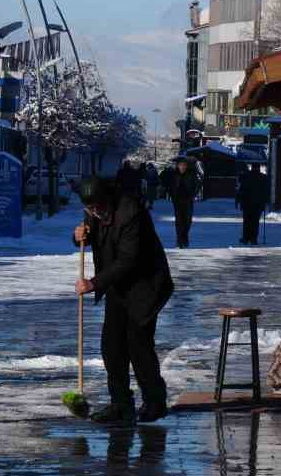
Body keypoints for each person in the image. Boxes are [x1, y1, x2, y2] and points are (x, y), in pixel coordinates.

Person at [74, 177, 174, 425]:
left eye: (98, 207)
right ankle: (120, 404)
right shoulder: (93, 210)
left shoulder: (131, 212)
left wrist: (94, 283)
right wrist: (78, 237)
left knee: (138, 346)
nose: (95, 212)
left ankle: (155, 403)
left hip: (145, 285)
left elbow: (129, 259)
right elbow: (91, 236)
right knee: (112, 347)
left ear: (106, 198)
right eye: (90, 209)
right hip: (118, 287)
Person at [167, 158, 198, 248]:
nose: (182, 167)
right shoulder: (174, 174)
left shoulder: (191, 174)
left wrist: (193, 194)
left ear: (186, 166)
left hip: (188, 200)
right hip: (177, 200)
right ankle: (180, 240)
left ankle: (185, 237)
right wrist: (171, 195)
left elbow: (196, 184)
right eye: (180, 165)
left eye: (184, 165)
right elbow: (170, 185)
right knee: (179, 221)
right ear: (177, 166)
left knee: (187, 220)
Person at [236, 164, 269, 245]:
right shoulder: (263, 177)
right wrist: (265, 202)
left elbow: (241, 190)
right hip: (258, 203)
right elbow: (266, 191)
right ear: (259, 168)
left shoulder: (246, 176)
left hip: (247, 203)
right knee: (255, 221)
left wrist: (238, 201)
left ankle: (246, 238)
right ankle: (254, 239)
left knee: (247, 221)